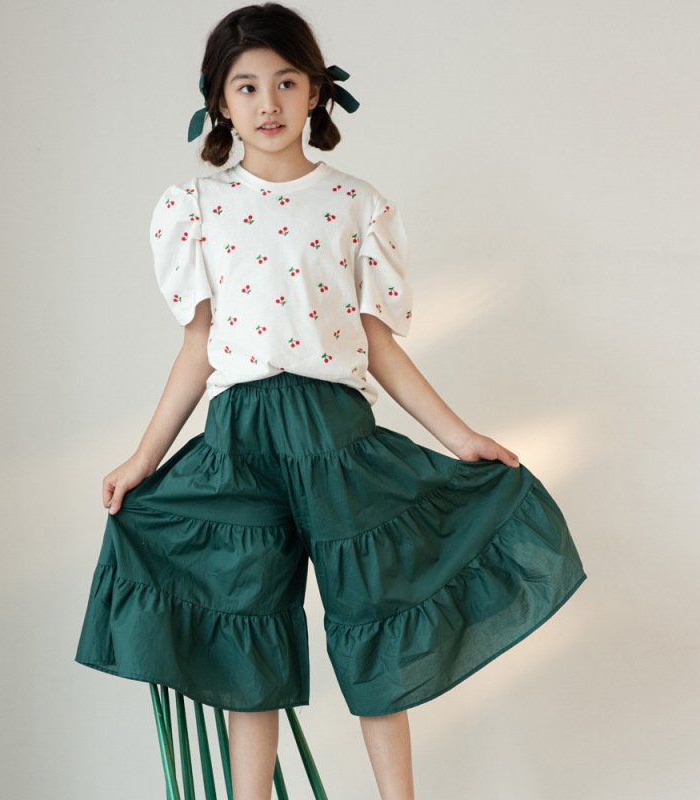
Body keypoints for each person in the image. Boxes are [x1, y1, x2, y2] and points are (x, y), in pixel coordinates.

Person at [76, 4, 586, 798]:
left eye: (286, 82)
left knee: (375, 620)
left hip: (338, 438)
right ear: (219, 101)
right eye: (247, 86)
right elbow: (198, 346)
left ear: (316, 91)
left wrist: (460, 439)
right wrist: (144, 459)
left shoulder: (355, 204)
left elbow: (378, 344)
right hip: (238, 442)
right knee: (247, 635)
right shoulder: (197, 207)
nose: (268, 103)